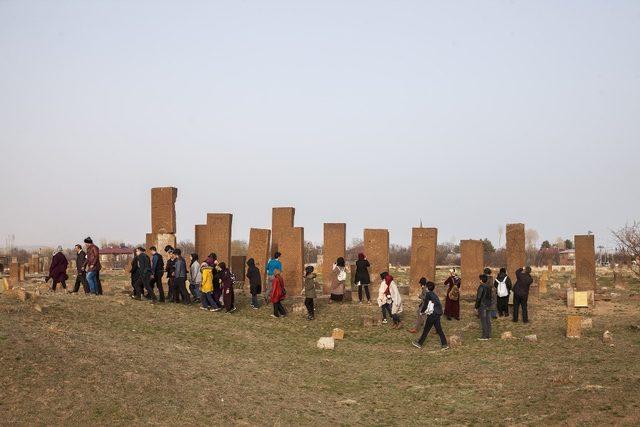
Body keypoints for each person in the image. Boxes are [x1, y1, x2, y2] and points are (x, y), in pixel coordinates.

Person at [412, 280, 448, 349]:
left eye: (426, 286)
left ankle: (419, 343)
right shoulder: (434, 294)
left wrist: (422, 312)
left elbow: (425, 305)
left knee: (426, 329)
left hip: (433, 314)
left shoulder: (428, 294)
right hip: (438, 313)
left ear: (427, 288)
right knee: (439, 330)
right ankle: (445, 344)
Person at [475, 274, 492, 340]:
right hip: (488, 305)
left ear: (481, 280)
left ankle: (484, 336)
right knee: (488, 320)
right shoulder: (489, 286)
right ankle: (489, 335)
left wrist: (476, 306)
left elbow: (479, 297)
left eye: (480, 279)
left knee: (483, 321)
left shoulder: (481, 287)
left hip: (482, 306)